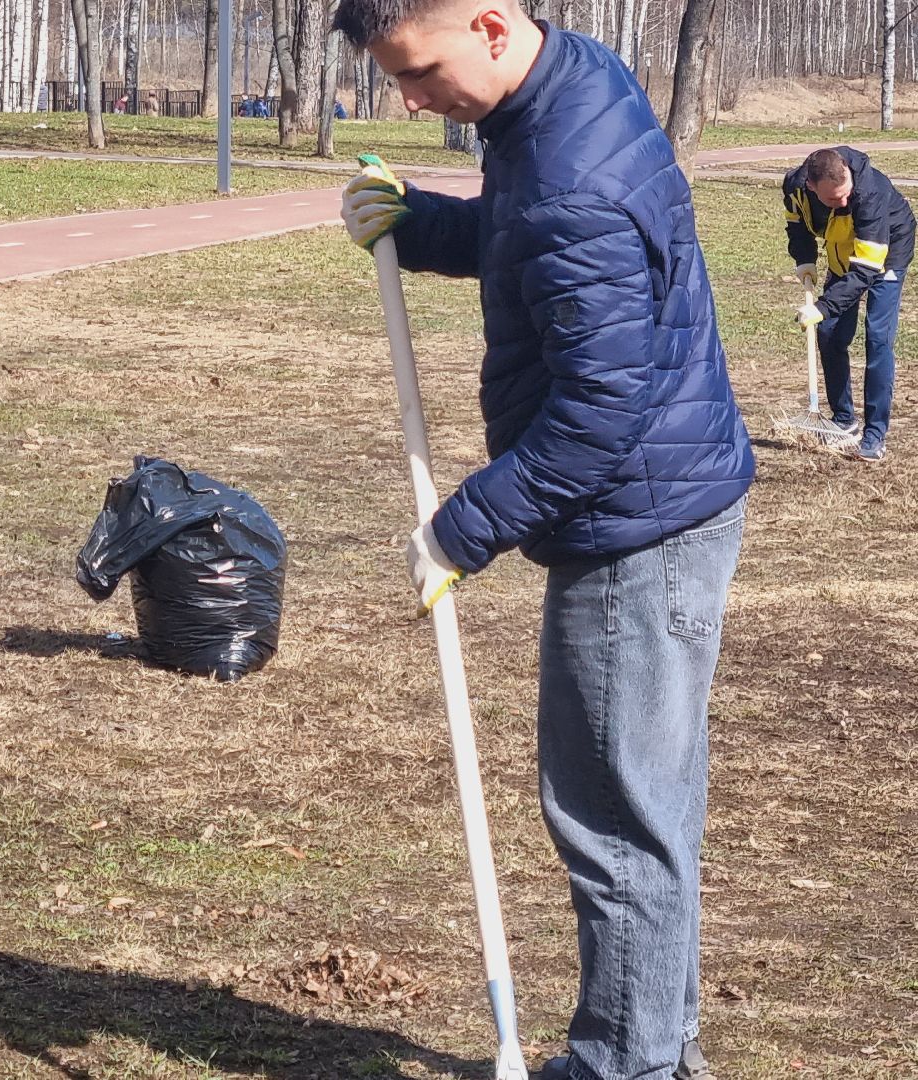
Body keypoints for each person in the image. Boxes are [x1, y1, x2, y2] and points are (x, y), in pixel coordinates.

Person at [332, 2, 753, 1078]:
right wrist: (418, 221)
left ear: (484, 25)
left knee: (614, 819)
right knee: (649, 811)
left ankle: (625, 1064)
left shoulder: (571, 171)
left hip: (637, 531)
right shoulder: (561, 92)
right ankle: (658, 1051)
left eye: (420, 73)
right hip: (673, 498)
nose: (413, 100)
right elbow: (518, 238)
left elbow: (593, 422)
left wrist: (458, 532)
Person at [785, 146, 911, 461]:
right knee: (829, 335)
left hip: (887, 252)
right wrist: (804, 260)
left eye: (845, 195)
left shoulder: (870, 192)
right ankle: (844, 420)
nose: (842, 202)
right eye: (832, 199)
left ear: (849, 175)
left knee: (877, 338)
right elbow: (798, 224)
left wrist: (824, 306)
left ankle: (875, 434)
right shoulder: (794, 186)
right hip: (844, 251)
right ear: (811, 186)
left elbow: (867, 270)